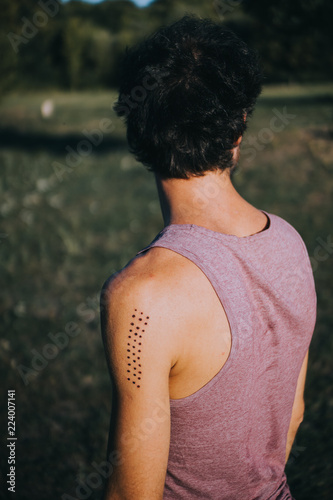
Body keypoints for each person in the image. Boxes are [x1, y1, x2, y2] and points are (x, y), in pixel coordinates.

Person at [100, 15, 317, 500]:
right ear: (238, 128)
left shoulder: (142, 298)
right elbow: (293, 416)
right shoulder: (291, 243)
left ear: (140, 131)